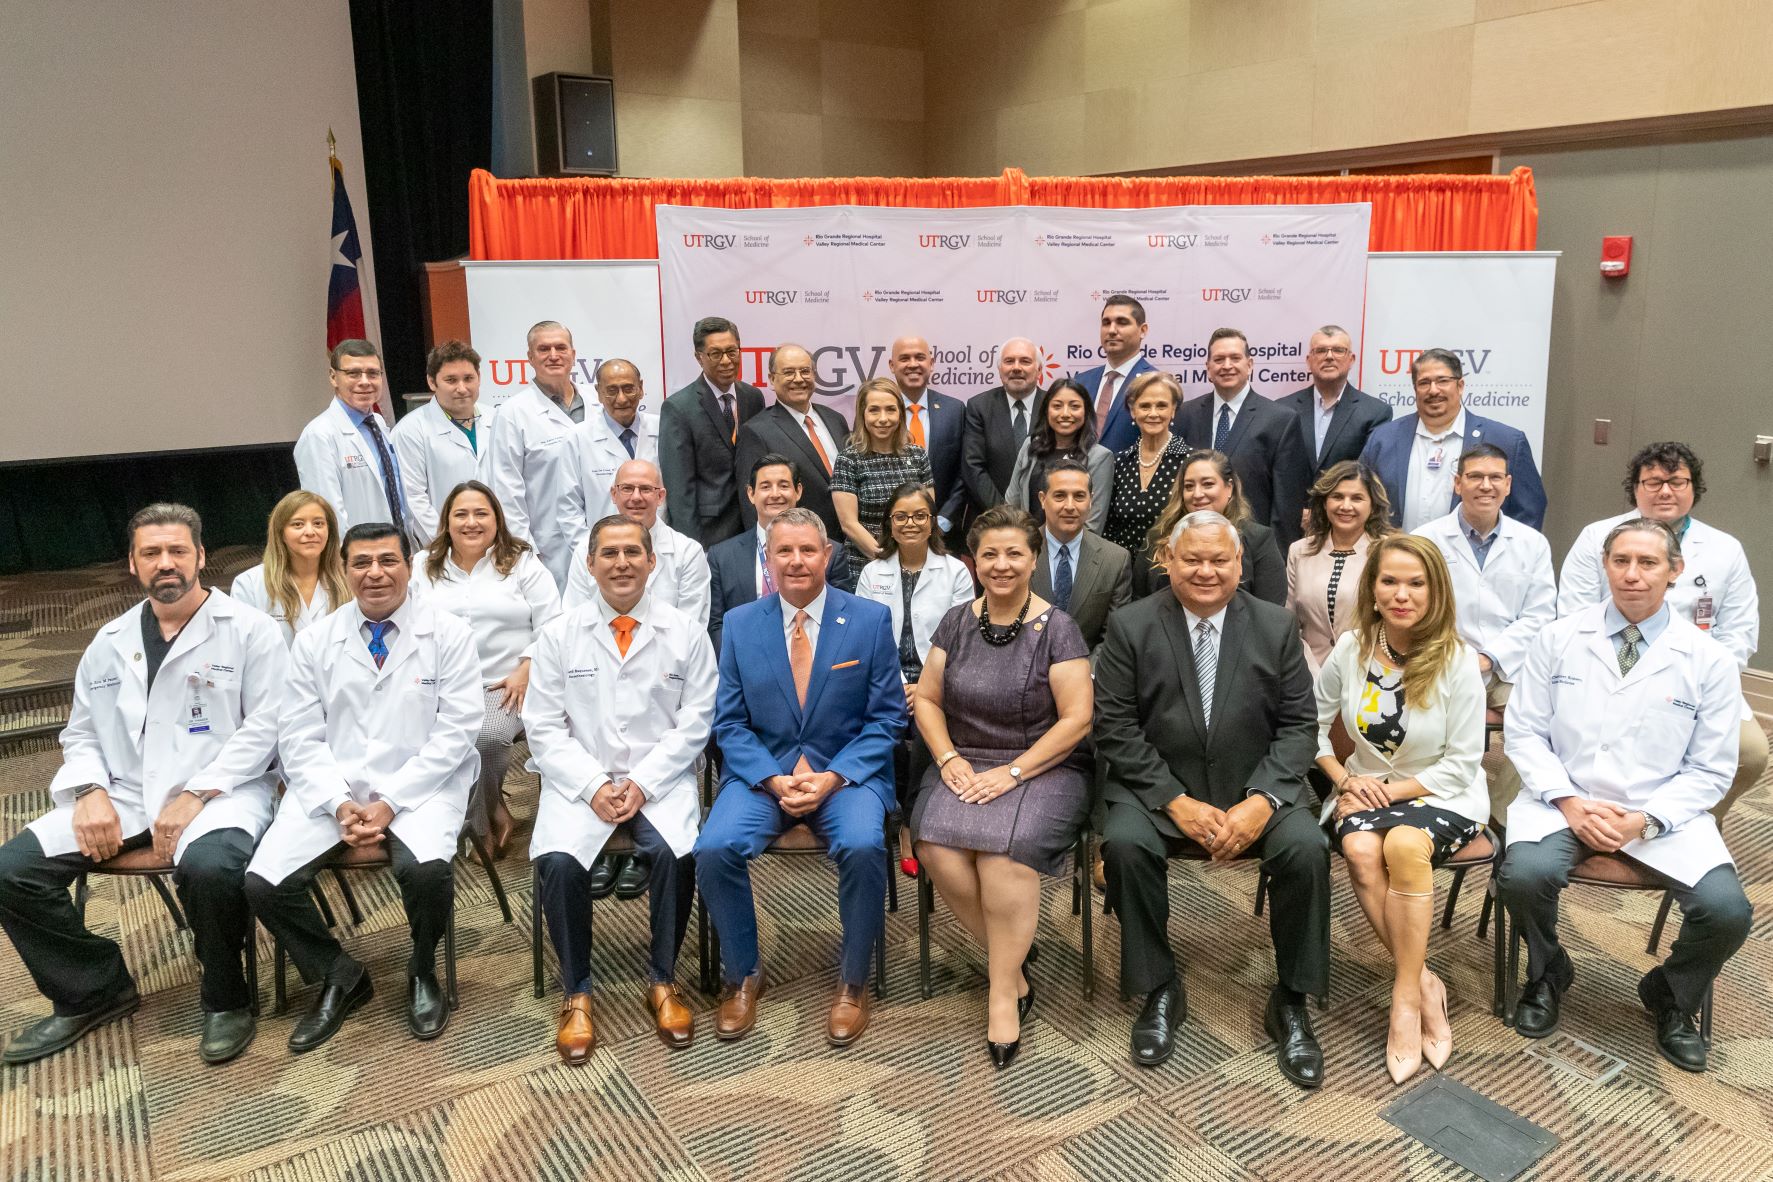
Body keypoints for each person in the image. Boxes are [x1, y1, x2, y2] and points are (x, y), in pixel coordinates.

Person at [0, 504, 286, 1066]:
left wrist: (198, 793)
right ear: (132, 564)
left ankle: (227, 1000)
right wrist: (88, 792)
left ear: (201, 556)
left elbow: (268, 726)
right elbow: (81, 732)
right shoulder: (108, 641)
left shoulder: (250, 631)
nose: (166, 564)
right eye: (151, 553)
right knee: (11, 871)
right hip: (126, 796)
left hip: (227, 792)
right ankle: (93, 990)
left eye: (178, 551)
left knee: (208, 868)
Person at [1497, 518, 1751, 1073]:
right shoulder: (1560, 637)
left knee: (1729, 912)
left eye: (1648, 563)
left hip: (1660, 815)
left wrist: (1646, 820)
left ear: (1675, 572)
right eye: (1621, 562)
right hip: (1563, 802)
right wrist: (1567, 802)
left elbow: (1711, 770)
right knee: (1521, 876)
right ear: (1606, 566)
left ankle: (1670, 993)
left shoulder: (1708, 660)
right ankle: (1547, 973)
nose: (1632, 575)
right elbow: (1524, 732)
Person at [1095, 510, 1329, 1086]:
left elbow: (1300, 726)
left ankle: (1291, 999)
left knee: (1306, 849)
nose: (1205, 571)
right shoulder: (1131, 624)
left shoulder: (1275, 625)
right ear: (1168, 561)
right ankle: (1158, 986)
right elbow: (1116, 727)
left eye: (1218, 559)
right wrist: (1175, 801)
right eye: (1192, 559)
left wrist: (1263, 800)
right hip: (1158, 789)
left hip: (1257, 788)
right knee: (1123, 846)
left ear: (1240, 565)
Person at [245, 522, 483, 1051]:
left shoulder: (449, 634)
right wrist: (337, 802)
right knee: (264, 883)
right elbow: (299, 736)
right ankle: (338, 974)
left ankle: (422, 970)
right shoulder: (314, 642)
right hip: (335, 787)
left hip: (424, 784)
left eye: (388, 561)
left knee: (425, 873)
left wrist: (392, 801)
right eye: (361, 563)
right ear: (344, 569)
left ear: (408, 566)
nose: (375, 573)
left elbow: (458, 729)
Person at [695, 508, 903, 1048]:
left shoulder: (868, 619)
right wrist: (771, 777)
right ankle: (743, 975)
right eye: (783, 551)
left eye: (807, 550)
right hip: (766, 776)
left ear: (827, 555)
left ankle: (853, 983)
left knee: (862, 845)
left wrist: (835, 775)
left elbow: (887, 720)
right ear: (767, 559)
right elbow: (730, 723)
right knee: (714, 848)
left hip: (847, 776)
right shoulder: (741, 624)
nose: (796, 561)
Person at [525, 515, 717, 1062]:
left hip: (658, 779)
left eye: (633, 551)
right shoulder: (559, 635)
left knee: (675, 855)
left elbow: (696, 721)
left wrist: (642, 782)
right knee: (560, 862)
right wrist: (591, 785)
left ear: (652, 562)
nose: (622, 563)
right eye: (608, 553)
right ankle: (577, 992)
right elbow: (542, 727)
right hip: (579, 781)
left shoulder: (684, 631)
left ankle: (662, 980)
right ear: (589, 565)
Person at [911, 505, 1093, 1067]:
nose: (1002, 564)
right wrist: (945, 759)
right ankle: (1010, 963)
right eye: (989, 553)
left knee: (1001, 857)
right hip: (966, 761)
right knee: (936, 844)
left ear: (1034, 559)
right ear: (974, 562)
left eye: (1015, 552)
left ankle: (1002, 994)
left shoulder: (1057, 628)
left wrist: (1013, 772)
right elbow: (928, 700)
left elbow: (1077, 720)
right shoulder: (956, 622)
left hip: (1046, 765)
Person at [1553, 441, 1766, 905]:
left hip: (1698, 682)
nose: (1665, 490)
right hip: (1603, 671)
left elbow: (1739, 633)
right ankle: (1613, 820)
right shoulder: (1597, 537)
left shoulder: (1725, 549)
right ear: (1636, 489)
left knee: (1750, 753)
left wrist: (1702, 681)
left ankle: (1686, 823)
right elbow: (1571, 613)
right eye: (1653, 481)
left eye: (1677, 481)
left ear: (1694, 489)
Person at [1313, 535, 1488, 1083]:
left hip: (1441, 794)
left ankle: (1404, 1003)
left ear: (1436, 591)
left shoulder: (1458, 661)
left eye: (1416, 583)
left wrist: (1386, 792)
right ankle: (1423, 981)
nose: (1402, 594)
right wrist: (1343, 779)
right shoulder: (1352, 647)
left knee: (1404, 844)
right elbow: (1309, 727)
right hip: (1362, 787)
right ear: (1373, 587)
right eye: (1390, 581)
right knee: (1362, 849)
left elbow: (1462, 763)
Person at [410, 480, 562, 852]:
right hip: (440, 685)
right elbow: (408, 626)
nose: (471, 522)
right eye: (460, 514)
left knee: (485, 739)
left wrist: (528, 666)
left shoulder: (522, 562)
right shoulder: (422, 565)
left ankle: (478, 825)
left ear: (497, 519)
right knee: (422, 737)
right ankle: (492, 813)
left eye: (481, 513)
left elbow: (555, 624)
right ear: (446, 521)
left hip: (506, 682)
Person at [853, 483, 975, 827]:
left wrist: (923, 686)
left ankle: (910, 820)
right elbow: (866, 640)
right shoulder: (871, 572)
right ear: (889, 523)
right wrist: (896, 685)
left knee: (927, 730)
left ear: (933, 521)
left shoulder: (956, 572)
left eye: (920, 516)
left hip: (940, 681)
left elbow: (960, 641)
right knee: (883, 730)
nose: (911, 523)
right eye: (901, 516)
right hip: (884, 682)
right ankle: (892, 808)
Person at [1414, 443, 1555, 709]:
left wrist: (1490, 657)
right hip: (1442, 666)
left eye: (1495, 478)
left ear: (1508, 484)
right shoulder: (1425, 540)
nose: (1486, 485)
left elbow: (1540, 616)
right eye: (1475, 476)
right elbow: (1417, 611)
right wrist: (1460, 660)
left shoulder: (1533, 543)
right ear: (1458, 483)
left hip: (1510, 670)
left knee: (1537, 726)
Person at [1360, 347, 1546, 531]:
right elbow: (1359, 498)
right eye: (1424, 383)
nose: (1433, 390)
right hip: (1398, 557)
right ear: (1415, 389)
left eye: (1442, 381)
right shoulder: (1383, 439)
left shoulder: (1507, 442)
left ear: (1460, 386)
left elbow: (1529, 512)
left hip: (1476, 559)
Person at [1175, 328, 1311, 548]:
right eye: (1219, 359)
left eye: (1235, 358)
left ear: (1249, 365)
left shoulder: (1280, 420)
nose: (1227, 365)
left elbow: (1286, 505)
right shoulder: (1185, 414)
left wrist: (1275, 559)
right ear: (1208, 368)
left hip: (1252, 549)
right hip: (1193, 545)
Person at [480, 320, 590, 591]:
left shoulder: (598, 403)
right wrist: (525, 550)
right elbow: (506, 489)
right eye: (543, 349)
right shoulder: (513, 412)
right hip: (548, 546)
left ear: (574, 355)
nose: (553, 355)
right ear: (530, 357)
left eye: (561, 347)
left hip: (603, 538)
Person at [707, 454, 851, 653]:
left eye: (783, 485)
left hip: (813, 655)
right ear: (751, 494)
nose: (775, 494)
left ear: (798, 491)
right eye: (765, 487)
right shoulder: (722, 556)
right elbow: (716, 624)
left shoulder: (832, 553)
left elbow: (842, 616)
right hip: (748, 661)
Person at [659, 316, 766, 549]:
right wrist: (692, 548)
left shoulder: (753, 397)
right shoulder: (679, 408)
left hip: (752, 524)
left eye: (732, 351)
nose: (726, 360)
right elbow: (679, 490)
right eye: (715, 354)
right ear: (699, 357)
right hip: (709, 533)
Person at [564, 459, 710, 624]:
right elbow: (574, 623)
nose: (636, 497)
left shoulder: (688, 553)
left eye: (646, 489)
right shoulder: (585, 549)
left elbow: (690, 629)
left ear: (660, 496)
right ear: (614, 494)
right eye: (627, 488)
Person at [293, 339, 412, 537]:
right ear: (333, 377)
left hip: (397, 547)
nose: (365, 381)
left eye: (373, 373)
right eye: (353, 374)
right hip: (356, 558)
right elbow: (327, 514)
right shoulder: (319, 435)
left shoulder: (379, 424)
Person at [1286, 460, 1393, 673]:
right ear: (1324, 503)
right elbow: (1288, 620)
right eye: (1337, 497)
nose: (1345, 506)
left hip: (1368, 671)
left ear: (1372, 505)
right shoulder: (1299, 551)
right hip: (1307, 671)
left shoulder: (1387, 552)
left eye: (1357, 498)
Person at [734, 344, 850, 538]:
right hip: (796, 546)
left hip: (848, 545)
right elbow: (751, 504)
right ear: (771, 378)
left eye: (805, 371)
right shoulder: (756, 431)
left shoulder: (835, 419)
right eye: (788, 372)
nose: (798, 379)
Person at [1146, 450, 1286, 606]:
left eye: (1208, 484)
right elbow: (1141, 602)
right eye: (1189, 486)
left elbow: (1271, 610)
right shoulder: (1158, 537)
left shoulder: (1259, 540)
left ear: (1229, 488)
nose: (1197, 494)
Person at [831, 377, 934, 574]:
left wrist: (908, 561)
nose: (883, 418)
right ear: (862, 414)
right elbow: (849, 524)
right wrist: (887, 560)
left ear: (900, 413)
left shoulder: (918, 455)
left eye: (890, 409)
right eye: (874, 410)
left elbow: (927, 516)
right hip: (866, 565)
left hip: (916, 563)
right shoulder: (849, 459)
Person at [1102, 371, 1191, 596]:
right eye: (1145, 406)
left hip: (1170, 580)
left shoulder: (1190, 462)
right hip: (1121, 581)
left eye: (1161, 406)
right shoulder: (1119, 462)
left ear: (1173, 411)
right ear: (1133, 411)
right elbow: (1108, 527)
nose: (1153, 413)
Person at [1031, 460, 1132, 651]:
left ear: (1091, 500)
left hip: (1086, 674)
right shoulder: (1020, 552)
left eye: (1079, 496)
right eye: (1060, 496)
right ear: (1043, 499)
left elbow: (1113, 636)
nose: (1070, 506)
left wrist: (1085, 677)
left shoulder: (1115, 560)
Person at [392, 340, 485, 547]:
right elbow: (413, 500)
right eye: (451, 380)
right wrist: (447, 544)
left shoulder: (498, 419)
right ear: (432, 383)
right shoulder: (410, 430)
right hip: (443, 547)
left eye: (468, 378)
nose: (462, 388)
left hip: (497, 543)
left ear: (479, 378)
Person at [230, 490, 350, 645]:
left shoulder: (348, 578)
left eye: (318, 523)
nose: (310, 532)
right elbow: (241, 647)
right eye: (298, 524)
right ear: (281, 533)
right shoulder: (249, 584)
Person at [1278, 325, 1393, 480]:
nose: (1329, 356)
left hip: (1344, 503)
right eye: (1321, 350)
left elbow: (1369, 475)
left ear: (1351, 360)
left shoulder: (1375, 413)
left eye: (1338, 350)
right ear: (1309, 361)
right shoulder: (1283, 409)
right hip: (1293, 504)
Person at [1005, 379, 1113, 531]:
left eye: (1074, 406)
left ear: (1086, 411)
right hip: (1026, 548)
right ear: (1046, 410)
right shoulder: (1030, 446)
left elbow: (1093, 524)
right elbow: (1012, 504)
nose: (1065, 414)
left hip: (1072, 551)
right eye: (1057, 406)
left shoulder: (1100, 457)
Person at [887, 335, 967, 540]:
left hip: (944, 533)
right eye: (904, 358)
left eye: (920, 357)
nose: (913, 364)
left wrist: (943, 521)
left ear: (931, 364)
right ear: (892, 365)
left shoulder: (955, 410)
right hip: (890, 531)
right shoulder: (879, 413)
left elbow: (964, 471)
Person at [959, 336, 1043, 527]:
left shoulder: (1053, 407)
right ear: (999, 369)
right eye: (1009, 361)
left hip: (1042, 521)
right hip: (990, 521)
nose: (1016, 367)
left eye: (1025, 361)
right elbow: (973, 467)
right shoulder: (979, 406)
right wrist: (1004, 514)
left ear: (1039, 369)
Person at [574, 358, 660, 525]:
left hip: (656, 542)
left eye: (628, 389)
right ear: (598, 392)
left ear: (641, 388)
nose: (621, 399)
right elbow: (568, 508)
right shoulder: (577, 437)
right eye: (612, 390)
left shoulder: (663, 428)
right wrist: (589, 548)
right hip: (602, 546)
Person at [1072, 294, 1157, 453]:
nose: (1111, 330)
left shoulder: (1155, 383)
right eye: (1106, 323)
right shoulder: (1080, 382)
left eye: (1122, 322)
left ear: (1143, 330)